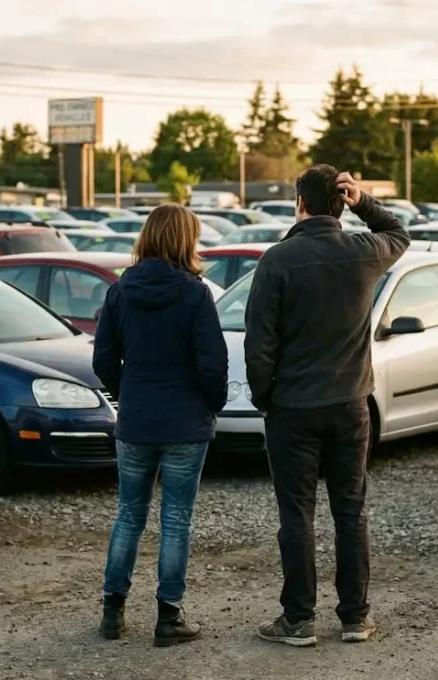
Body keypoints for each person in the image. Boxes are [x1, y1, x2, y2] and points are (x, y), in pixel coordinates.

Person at [244, 165, 410, 647]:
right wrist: (363, 202)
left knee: (297, 515)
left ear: (300, 202)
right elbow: (399, 233)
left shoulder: (277, 260)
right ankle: (355, 618)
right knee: (350, 511)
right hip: (351, 405)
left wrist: (265, 398)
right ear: (339, 202)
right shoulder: (362, 252)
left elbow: (259, 343)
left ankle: (298, 620)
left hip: (293, 409)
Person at [92, 204, 229, 647]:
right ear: (185, 240)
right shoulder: (196, 295)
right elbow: (213, 363)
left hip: (136, 420)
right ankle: (169, 617)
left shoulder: (119, 291)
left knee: (129, 514)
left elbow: (103, 360)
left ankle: (112, 612)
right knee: (176, 520)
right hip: (185, 422)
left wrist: (127, 393)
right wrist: (212, 404)